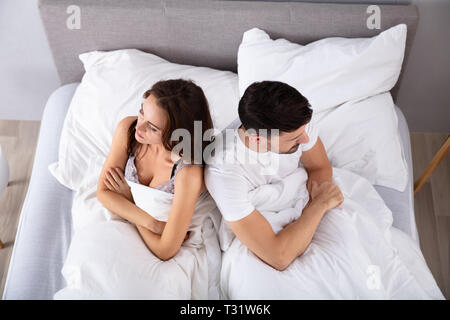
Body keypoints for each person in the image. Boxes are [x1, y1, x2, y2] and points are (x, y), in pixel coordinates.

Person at [205, 80, 344, 271]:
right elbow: (278, 257)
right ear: (258, 139)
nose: (306, 140)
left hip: (301, 206)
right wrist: (319, 205)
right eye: (295, 139)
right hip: (263, 232)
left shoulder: (295, 124)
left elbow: (319, 168)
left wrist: (307, 214)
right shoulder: (224, 171)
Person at [97, 79, 214, 261]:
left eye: (152, 128)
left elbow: (165, 250)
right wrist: (155, 225)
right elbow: (103, 193)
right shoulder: (128, 130)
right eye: (142, 112)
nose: (139, 127)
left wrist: (130, 200)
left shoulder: (188, 172)